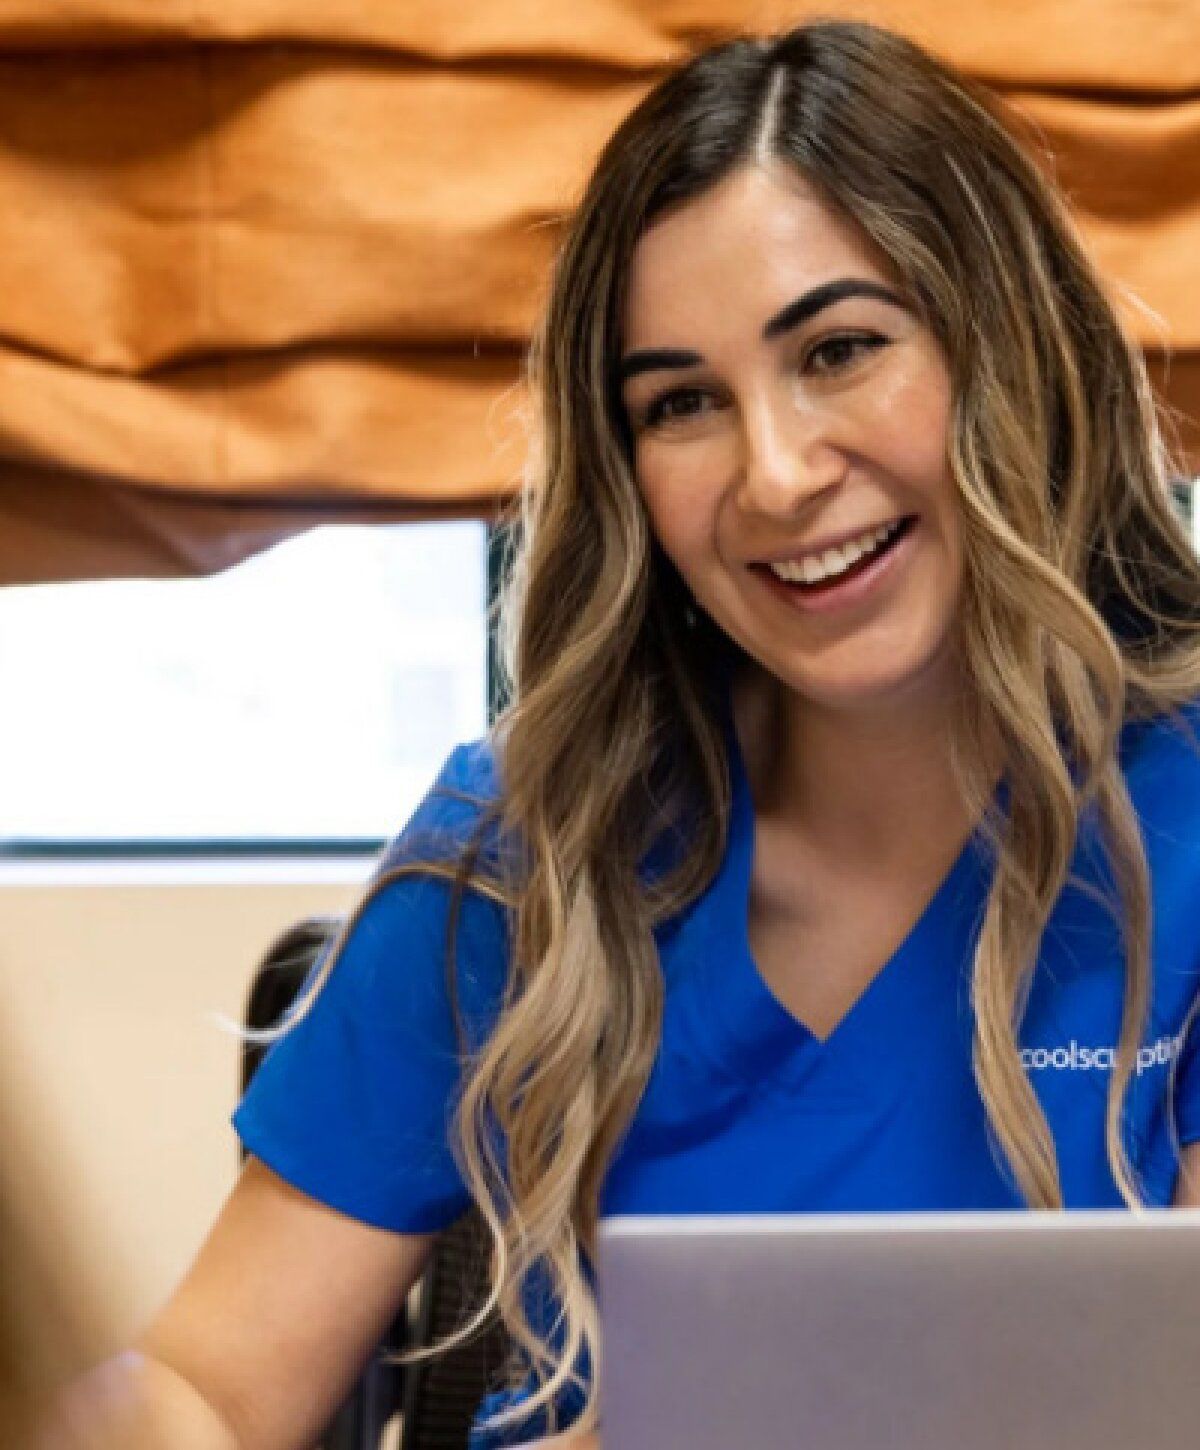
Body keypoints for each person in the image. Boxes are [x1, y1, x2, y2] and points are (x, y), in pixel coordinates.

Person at [39, 17, 1200, 1450]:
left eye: (839, 348)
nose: (775, 475)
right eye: (684, 403)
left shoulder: (1186, 828)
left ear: (1007, 349)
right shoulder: (523, 846)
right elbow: (202, 1382)